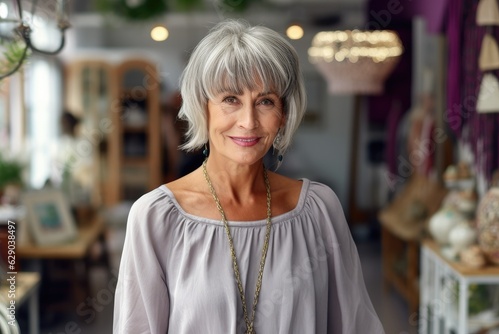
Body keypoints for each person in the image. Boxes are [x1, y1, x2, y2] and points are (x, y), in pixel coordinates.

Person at [113, 19, 385, 334]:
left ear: (284, 114)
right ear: (204, 107)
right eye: (231, 99)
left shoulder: (319, 210)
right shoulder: (156, 216)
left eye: (265, 101)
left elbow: (354, 325)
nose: (248, 121)